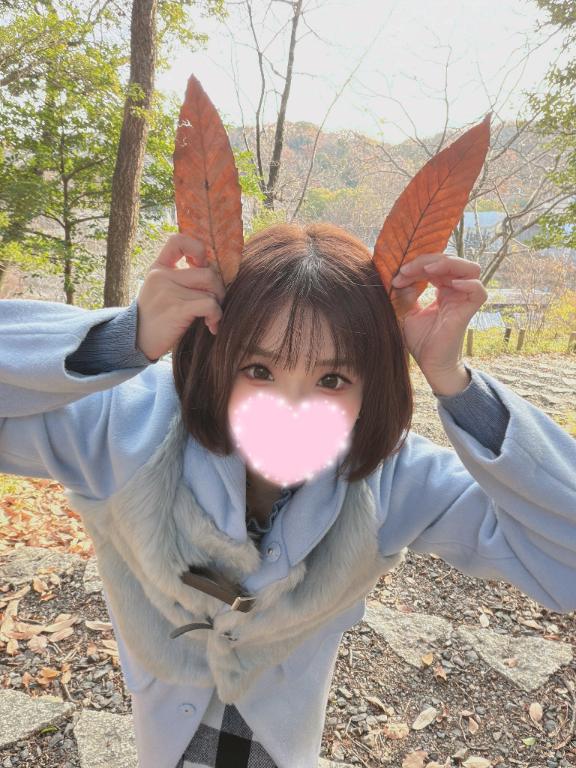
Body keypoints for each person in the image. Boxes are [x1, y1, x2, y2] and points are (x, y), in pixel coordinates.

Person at [0, 223, 575, 768]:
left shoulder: (390, 479)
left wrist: (456, 383)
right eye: (258, 369)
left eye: (332, 380)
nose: (291, 409)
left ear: (371, 387)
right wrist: (121, 340)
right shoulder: (126, 429)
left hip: (281, 744)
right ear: (216, 354)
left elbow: (564, 560)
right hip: (165, 737)